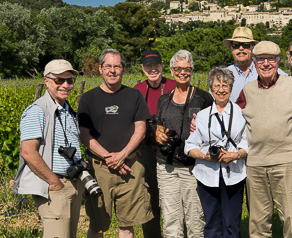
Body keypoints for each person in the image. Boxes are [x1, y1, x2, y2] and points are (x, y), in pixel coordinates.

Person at [236, 41, 292, 237]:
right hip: (255, 164)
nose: (266, 63)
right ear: (254, 62)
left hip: (288, 162)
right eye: (261, 59)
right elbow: (232, 118)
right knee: (258, 224)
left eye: (271, 59)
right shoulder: (247, 91)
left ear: (279, 61)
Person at [78, 49, 153, 238]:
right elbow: (84, 134)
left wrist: (122, 155)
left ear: (123, 69)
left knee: (128, 225)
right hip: (99, 169)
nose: (112, 71)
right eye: (108, 66)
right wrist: (108, 157)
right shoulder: (88, 98)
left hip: (130, 166)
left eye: (117, 66)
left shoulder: (134, 96)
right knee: (98, 224)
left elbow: (140, 129)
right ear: (101, 69)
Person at [13, 60, 82, 238]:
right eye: (59, 80)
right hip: (55, 185)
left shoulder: (68, 110)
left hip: (72, 183)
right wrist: (53, 182)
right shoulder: (37, 111)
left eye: (70, 80)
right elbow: (28, 152)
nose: (65, 85)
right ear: (46, 81)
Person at [155, 49, 213, 238]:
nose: (182, 72)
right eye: (178, 69)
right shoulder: (164, 99)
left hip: (194, 166)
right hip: (166, 165)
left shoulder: (203, 98)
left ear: (192, 70)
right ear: (171, 71)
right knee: (171, 218)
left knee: (196, 218)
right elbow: (159, 124)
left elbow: (214, 128)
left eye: (187, 69)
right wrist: (158, 133)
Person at [185, 66, 248, 238]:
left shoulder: (241, 114)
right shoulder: (203, 116)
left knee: (231, 223)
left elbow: (247, 142)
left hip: (234, 174)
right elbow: (190, 146)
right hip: (207, 174)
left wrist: (235, 155)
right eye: (216, 86)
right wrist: (205, 156)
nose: (220, 90)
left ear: (231, 88)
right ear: (210, 88)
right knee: (211, 222)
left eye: (225, 86)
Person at [134, 49, 176, 238]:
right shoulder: (137, 90)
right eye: (148, 66)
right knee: (149, 200)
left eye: (156, 65)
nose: (153, 69)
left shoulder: (174, 85)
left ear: (163, 66)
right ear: (142, 69)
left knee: (171, 199)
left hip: (171, 151)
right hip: (146, 151)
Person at [224, 26, 286, 102]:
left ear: (253, 48)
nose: (241, 48)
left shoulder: (272, 72)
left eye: (246, 45)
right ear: (231, 48)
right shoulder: (222, 76)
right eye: (236, 45)